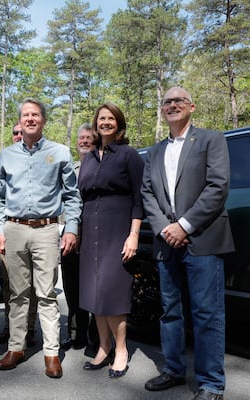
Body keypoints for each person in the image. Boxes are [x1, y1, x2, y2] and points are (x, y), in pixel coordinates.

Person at [141, 87, 234, 400]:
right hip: (166, 243)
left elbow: (218, 187)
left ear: (192, 106)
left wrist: (184, 225)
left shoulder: (211, 140)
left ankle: (211, 384)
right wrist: (165, 228)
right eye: (167, 101)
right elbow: (148, 194)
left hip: (203, 240)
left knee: (207, 313)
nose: (172, 104)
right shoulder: (153, 153)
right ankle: (174, 370)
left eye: (179, 100)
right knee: (170, 311)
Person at [0, 99, 82, 379]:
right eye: (25, 115)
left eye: (35, 115)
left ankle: (51, 353)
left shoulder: (60, 152)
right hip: (14, 228)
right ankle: (15, 347)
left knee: (46, 294)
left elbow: (72, 195)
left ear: (43, 120)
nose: (29, 119)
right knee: (18, 294)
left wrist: (71, 229)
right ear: (19, 121)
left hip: (46, 229)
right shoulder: (6, 155)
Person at [78, 103, 144, 380]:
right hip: (91, 232)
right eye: (101, 118)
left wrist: (133, 235)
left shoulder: (129, 155)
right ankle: (103, 347)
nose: (105, 122)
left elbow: (140, 199)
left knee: (114, 294)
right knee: (95, 294)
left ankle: (121, 350)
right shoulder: (89, 157)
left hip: (117, 231)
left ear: (119, 123)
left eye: (110, 118)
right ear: (96, 123)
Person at [0, 122, 38, 347]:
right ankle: (10, 327)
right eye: (15, 133)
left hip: (37, 230)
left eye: (22, 132)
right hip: (9, 228)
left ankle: (29, 329)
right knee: (9, 283)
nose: (19, 135)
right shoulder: (1, 161)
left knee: (33, 285)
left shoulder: (43, 158)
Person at [60, 123, 95, 352]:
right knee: (71, 287)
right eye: (81, 138)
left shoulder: (102, 166)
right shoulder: (70, 169)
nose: (83, 141)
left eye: (88, 138)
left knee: (93, 288)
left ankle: (95, 336)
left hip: (94, 235)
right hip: (69, 234)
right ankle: (75, 333)